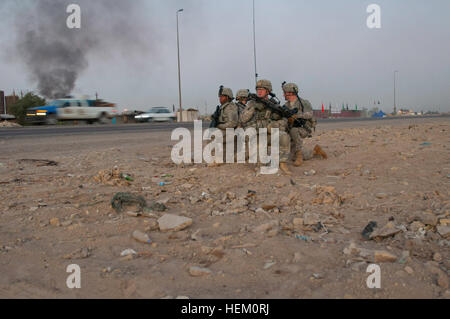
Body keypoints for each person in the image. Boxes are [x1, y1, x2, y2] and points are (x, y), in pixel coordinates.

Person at [240, 79, 292, 175]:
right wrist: (253, 108)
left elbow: (284, 121)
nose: (259, 91)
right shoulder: (251, 103)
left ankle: (282, 163)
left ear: (268, 91)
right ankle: (259, 163)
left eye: (262, 89)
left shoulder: (274, 105)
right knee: (260, 166)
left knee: (284, 136)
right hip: (256, 135)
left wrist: (275, 125)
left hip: (269, 133)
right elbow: (243, 119)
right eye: (258, 89)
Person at [282, 82, 327, 166]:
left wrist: (297, 116)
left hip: (304, 127)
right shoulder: (286, 105)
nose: (283, 95)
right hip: (291, 128)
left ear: (290, 93)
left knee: (294, 131)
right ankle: (314, 151)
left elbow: (309, 114)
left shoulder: (303, 103)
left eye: (285, 93)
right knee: (291, 157)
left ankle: (299, 156)